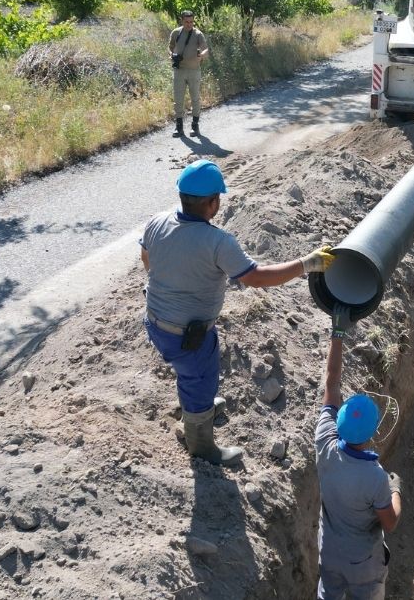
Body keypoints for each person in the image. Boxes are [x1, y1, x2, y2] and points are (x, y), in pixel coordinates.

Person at [140, 159, 334, 465]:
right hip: (187, 336)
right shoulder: (218, 242)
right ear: (213, 203)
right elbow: (255, 278)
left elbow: (147, 258)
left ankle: (198, 406)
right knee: (199, 378)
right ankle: (202, 446)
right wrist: (307, 264)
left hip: (154, 321)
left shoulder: (157, 222)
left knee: (190, 373)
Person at [315, 304, 403, 599]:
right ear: (373, 432)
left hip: (329, 552)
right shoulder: (375, 477)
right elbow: (390, 522)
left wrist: (337, 333)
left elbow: (331, 380)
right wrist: (396, 490)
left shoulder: (324, 441)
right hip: (363, 563)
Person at [169, 10, 209, 138]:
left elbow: (206, 49)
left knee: (195, 99)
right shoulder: (176, 33)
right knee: (178, 100)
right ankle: (179, 127)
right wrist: (172, 55)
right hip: (179, 71)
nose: (189, 24)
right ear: (182, 21)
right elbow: (170, 47)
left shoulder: (198, 34)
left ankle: (195, 126)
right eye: (186, 22)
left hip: (194, 71)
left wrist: (201, 55)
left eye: (191, 22)